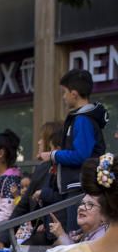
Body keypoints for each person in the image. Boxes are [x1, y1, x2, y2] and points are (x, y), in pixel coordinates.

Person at [38, 68, 109, 232]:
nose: (63, 97)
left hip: (80, 187)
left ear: (74, 94)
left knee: (76, 238)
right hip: (78, 186)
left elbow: (81, 155)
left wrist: (53, 155)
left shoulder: (82, 119)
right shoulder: (83, 118)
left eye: (64, 92)